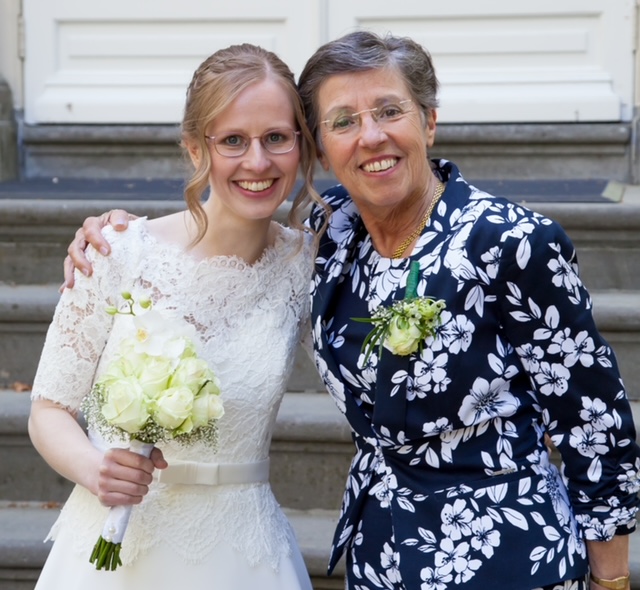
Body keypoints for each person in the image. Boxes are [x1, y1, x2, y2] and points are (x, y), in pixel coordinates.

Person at [64, 31, 640, 590]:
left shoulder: (512, 242)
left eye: (390, 111)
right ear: (322, 145)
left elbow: (595, 423)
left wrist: (610, 579)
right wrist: (113, 232)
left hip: (507, 555)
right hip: (379, 551)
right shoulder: (330, 231)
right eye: (343, 122)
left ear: (429, 121)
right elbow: (221, 233)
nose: (370, 137)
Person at [29, 43, 324, 590]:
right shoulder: (118, 251)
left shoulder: (309, 264)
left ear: (301, 145)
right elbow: (48, 409)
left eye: (277, 138)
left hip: (244, 554)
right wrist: (98, 471)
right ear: (195, 149)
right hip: (117, 550)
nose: (257, 162)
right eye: (233, 140)